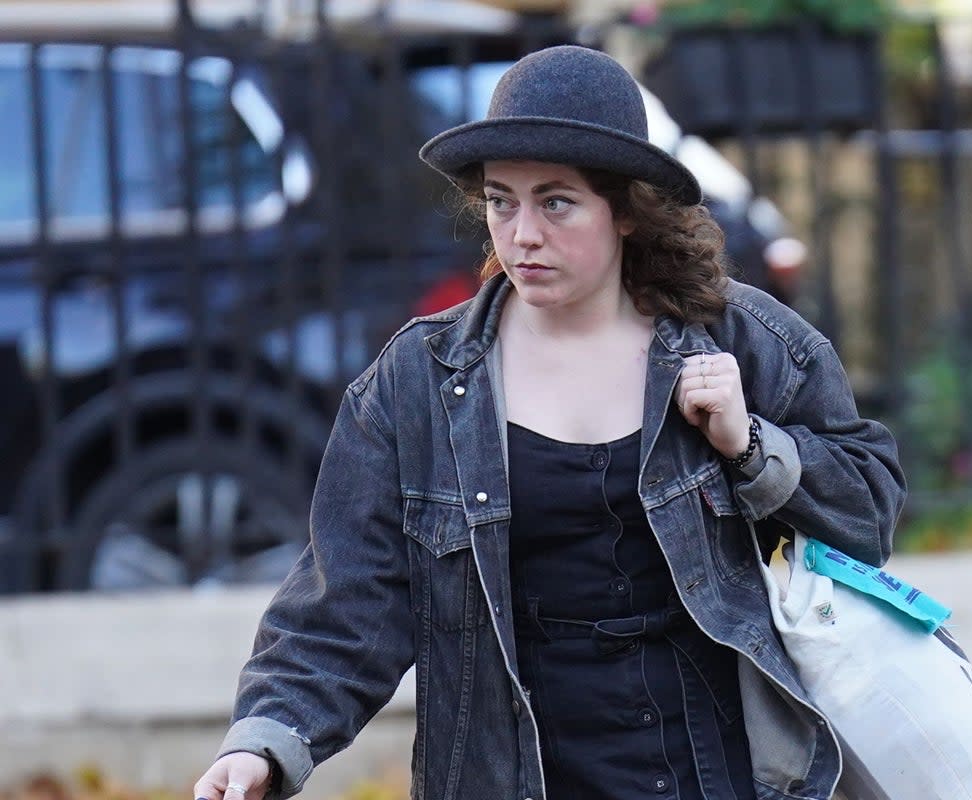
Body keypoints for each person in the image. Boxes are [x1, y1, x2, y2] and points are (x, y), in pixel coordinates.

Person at [193, 45, 905, 800]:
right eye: (502, 201)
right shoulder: (417, 384)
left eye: (556, 201)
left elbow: (869, 513)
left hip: (721, 774)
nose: (522, 233)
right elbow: (348, 600)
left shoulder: (746, 341)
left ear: (626, 210)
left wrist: (753, 447)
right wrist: (268, 742)